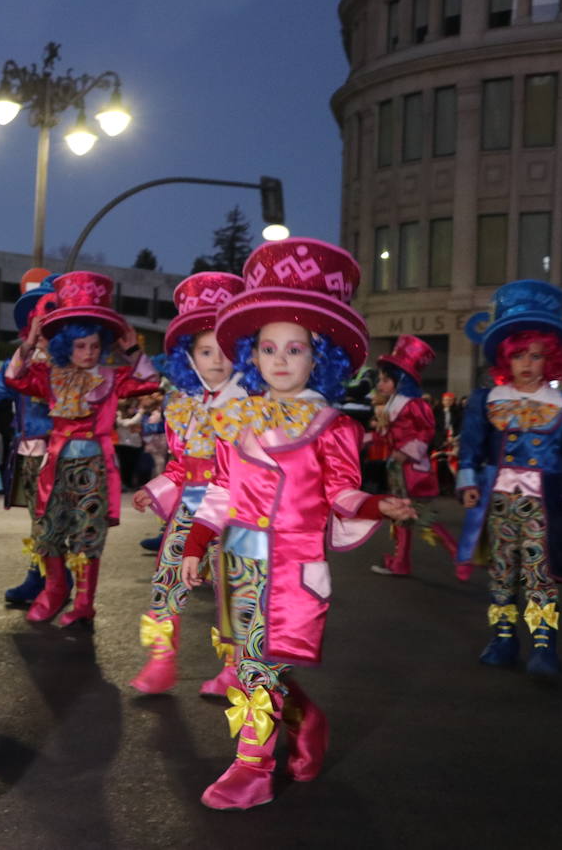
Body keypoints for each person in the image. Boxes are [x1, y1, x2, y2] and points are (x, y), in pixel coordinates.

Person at [177, 239, 414, 810]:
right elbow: (220, 489)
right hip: (239, 555)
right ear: (252, 356)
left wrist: (376, 505)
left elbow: (342, 493)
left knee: (257, 665)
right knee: (245, 662)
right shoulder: (237, 419)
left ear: (319, 357)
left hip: (292, 563)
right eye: (267, 348)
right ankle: (307, 722)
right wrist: (195, 543)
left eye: (296, 349)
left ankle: (252, 769)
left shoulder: (333, 425)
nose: (280, 360)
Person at [4, 271, 161, 627]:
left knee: (88, 534)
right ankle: (55, 590)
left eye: (94, 345)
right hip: (55, 464)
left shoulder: (113, 377)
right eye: (80, 346)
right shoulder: (49, 376)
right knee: (48, 530)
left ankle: (85, 603)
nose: (88, 353)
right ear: (65, 346)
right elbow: (13, 378)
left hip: (95, 467)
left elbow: (151, 381)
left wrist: (131, 347)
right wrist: (29, 341)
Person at [130, 273, 247, 696]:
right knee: (167, 580)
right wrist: (156, 486)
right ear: (190, 356)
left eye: (225, 350)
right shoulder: (181, 405)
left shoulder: (250, 405)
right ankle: (161, 661)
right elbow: (182, 465)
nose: (216, 360)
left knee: (235, 591)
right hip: (191, 504)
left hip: (238, 510)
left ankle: (236, 668)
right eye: (205, 350)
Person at [456, 281, 562, 677]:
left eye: (537, 355)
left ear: (552, 359)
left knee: (540, 576)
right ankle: (503, 638)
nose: (527, 363)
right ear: (505, 357)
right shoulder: (487, 400)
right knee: (502, 573)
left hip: (545, 506)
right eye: (519, 355)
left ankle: (544, 645)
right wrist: (469, 482)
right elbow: (471, 447)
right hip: (498, 503)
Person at [0, 275, 61, 605]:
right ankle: (45, 578)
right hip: (27, 451)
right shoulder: (21, 359)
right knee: (39, 520)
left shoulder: (67, 361)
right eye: (39, 320)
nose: (43, 328)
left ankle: (51, 580)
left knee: (52, 521)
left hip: (58, 451)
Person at [368, 335, 463, 579]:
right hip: (398, 469)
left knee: (422, 517)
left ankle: (457, 554)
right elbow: (387, 436)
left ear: (400, 381)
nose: (381, 384)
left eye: (385, 379)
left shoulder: (414, 405)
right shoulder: (394, 404)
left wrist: (405, 451)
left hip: (412, 471)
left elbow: (427, 431)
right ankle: (400, 562)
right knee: (400, 516)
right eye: (381, 379)